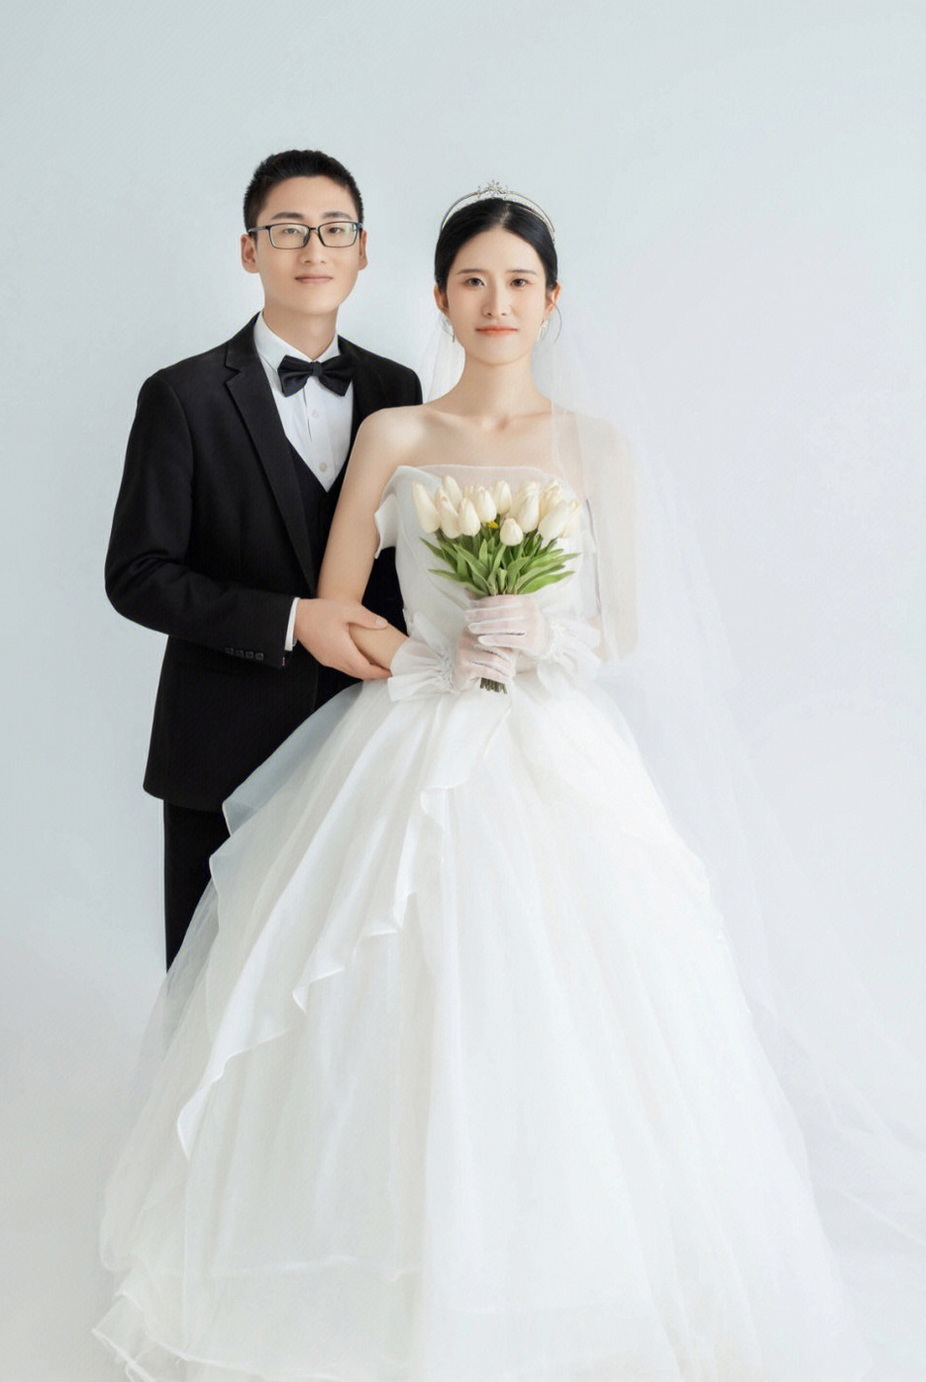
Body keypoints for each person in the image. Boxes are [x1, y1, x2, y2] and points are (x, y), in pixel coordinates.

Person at [95, 189, 924, 1379]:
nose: (496, 303)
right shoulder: (394, 432)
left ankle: (557, 1270)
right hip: (416, 734)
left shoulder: (600, 446)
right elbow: (340, 612)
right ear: (438, 297)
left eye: (519, 283)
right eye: (473, 282)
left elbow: (625, 625)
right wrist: (432, 656)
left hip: (553, 742)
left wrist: (543, 638)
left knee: (573, 1009)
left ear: (551, 299)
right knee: (382, 999)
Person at [105, 149, 422, 968]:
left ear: (362, 249)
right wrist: (290, 621)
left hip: (365, 743)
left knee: (343, 987)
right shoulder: (181, 395)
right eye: (288, 230)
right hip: (218, 749)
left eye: (335, 229)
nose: (314, 249)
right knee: (209, 988)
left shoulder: (400, 390)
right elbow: (138, 574)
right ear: (250, 250)